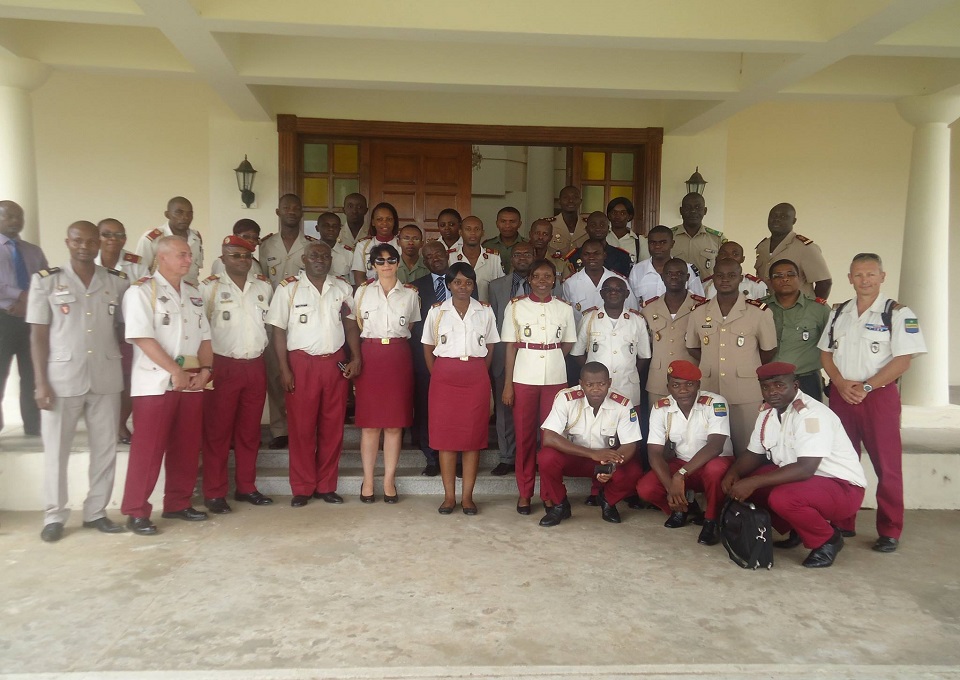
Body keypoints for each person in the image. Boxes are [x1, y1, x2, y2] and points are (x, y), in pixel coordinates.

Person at [27, 221, 129, 542]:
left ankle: (96, 512)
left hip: (105, 376)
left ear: (99, 244)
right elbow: (38, 335)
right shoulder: (46, 281)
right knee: (57, 450)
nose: (84, 246)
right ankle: (55, 515)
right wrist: (40, 382)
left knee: (105, 449)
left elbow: (123, 329)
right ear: (67, 243)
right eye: (77, 241)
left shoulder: (117, 283)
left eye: (90, 241)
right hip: (61, 379)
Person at [818, 253, 926, 553]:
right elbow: (826, 353)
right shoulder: (839, 312)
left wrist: (867, 386)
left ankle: (890, 528)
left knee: (887, 466)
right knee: (843, 459)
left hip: (878, 397)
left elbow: (903, 360)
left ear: (882, 277)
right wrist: (839, 382)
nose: (864, 280)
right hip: (842, 393)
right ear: (850, 278)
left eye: (870, 274)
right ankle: (844, 520)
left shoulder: (899, 313)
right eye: (858, 275)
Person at [721, 363, 868, 568]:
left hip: (841, 487)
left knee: (783, 497)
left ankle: (828, 540)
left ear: (795, 385)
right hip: (808, 482)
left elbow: (806, 468)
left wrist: (753, 482)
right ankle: (798, 529)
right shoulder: (767, 413)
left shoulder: (811, 415)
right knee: (752, 483)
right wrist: (734, 473)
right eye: (766, 386)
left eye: (780, 385)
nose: (772, 392)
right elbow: (755, 453)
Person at [120, 236, 213, 535]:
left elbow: (205, 338)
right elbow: (143, 337)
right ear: (162, 257)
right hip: (155, 382)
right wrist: (175, 371)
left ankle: (178, 503)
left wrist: (207, 369)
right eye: (182, 255)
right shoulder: (141, 292)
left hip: (192, 381)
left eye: (190, 255)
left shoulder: (194, 294)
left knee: (186, 446)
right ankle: (136, 510)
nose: (189, 260)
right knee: (148, 449)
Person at [267, 241, 361, 507]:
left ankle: (326, 485)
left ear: (331, 260)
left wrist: (356, 356)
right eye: (314, 255)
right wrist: (284, 369)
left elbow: (351, 325)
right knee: (301, 429)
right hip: (301, 364)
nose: (320, 259)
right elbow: (278, 331)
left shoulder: (342, 288)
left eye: (324, 255)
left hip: (334, 364)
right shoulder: (288, 289)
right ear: (303, 260)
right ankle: (302, 486)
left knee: (332, 429)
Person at [606, 361, 732, 544]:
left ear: (698, 385)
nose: (683, 390)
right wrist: (670, 488)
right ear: (668, 387)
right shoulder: (660, 408)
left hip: (714, 461)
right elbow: (654, 452)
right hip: (682, 464)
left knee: (714, 470)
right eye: (676, 385)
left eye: (689, 384)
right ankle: (681, 509)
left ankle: (711, 521)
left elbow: (715, 446)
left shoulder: (715, 403)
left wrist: (680, 475)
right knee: (646, 488)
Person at [199, 235, 275, 513]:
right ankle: (214, 492)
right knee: (218, 432)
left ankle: (246, 487)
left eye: (246, 256)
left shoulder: (263, 287)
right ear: (222, 257)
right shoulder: (210, 288)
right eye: (234, 255)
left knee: (249, 432)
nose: (241, 261)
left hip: (255, 364)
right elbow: (201, 331)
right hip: (223, 365)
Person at [421, 263, 499, 515]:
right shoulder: (437, 312)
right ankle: (448, 497)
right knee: (445, 440)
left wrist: (478, 372)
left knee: (472, 439)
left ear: (474, 285)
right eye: (457, 282)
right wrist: (440, 374)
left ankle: (467, 497)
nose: (462, 287)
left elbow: (490, 347)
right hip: (444, 378)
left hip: (475, 377)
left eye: (467, 282)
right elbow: (427, 346)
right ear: (449, 285)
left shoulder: (484, 311)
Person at [501, 259, 576, 514]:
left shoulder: (564, 309)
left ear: (555, 280)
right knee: (524, 436)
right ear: (529, 280)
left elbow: (567, 344)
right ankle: (524, 492)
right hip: (523, 376)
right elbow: (510, 347)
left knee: (551, 438)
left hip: (555, 378)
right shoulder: (516, 308)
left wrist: (551, 357)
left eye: (548, 276)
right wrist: (508, 385)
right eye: (537, 276)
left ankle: (548, 493)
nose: (542, 281)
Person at [686, 258, 777, 456]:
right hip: (709, 388)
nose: (725, 280)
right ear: (713, 280)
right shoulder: (699, 313)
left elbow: (768, 351)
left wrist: (745, 365)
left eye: (731, 275)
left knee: (749, 447)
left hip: (745, 392)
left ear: (741, 278)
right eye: (720, 275)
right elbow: (693, 347)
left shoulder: (759, 313)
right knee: (709, 448)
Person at [537, 362, 643, 527]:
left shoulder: (622, 404)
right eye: (589, 384)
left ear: (609, 382)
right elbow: (549, 438)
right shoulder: (566, 399)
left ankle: (608, 501)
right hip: (574, 458)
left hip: (605, 462)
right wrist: (592, 453)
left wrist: (612, 466)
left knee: (634, 470)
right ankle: (560, 505)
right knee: (546, 458)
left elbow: (630, 444)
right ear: (581, 384)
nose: (596, 389)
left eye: (601, 384)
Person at [353, 243, 421, 503]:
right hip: (370, 356)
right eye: (379, 261)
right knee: (370, 426)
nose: (386, 264)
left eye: (391, 259)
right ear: (372, 265)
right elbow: (354, 324)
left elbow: (411, 325)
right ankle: (368, 479)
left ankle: (389, 479)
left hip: (397, 356)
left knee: (394, 425)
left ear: (398, 262)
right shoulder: (361, 293)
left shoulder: (410, 294)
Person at [259, 193, 319, 449]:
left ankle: (302, 425)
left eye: (296, 207)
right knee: (275, 373)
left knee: (302, 375)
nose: (292, 211)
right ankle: (279, 429)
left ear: (302, 212)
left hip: (303, 319)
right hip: (274, 319)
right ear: (278, 212)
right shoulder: (265, 246)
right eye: (287, 208)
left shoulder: (311, 245)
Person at [95, 218, 146, 444]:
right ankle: (103, 426)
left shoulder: (136, 264)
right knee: (99, 381)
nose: (112, 239)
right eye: (106, 234)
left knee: (127, 380)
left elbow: (144, 297)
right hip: (94, 331)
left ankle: (119, 425)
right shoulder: (87, 261)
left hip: (126, 330)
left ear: (125, 238)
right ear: (98, 237)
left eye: (118, 235)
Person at [0, 200, 47, 436]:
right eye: (9, 217)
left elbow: (45, 281)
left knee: (33, 372)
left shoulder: (33, 250)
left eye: (19, 217)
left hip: (30, 320)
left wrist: (28, 301)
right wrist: (22, 296)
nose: (15, 221)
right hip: (2, 318)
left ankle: (33, 426)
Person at [571, 275, 649, 408]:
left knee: (629, 424)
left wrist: (628, 370)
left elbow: (644, 356)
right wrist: (593, 374)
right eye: (609, 289)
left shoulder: (637, 320)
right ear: (601, 293)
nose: (614, 292)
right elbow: (577, 353)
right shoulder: (589, 319)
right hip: (596, 389)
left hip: (627, 386)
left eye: (619, 289)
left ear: (627, 294)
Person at [760, 259, 830, 401]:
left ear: (799, 278)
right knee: (768, 421)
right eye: (778, 276)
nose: (785, 279)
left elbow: (833, 347)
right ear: (770, 281)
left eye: (790, 274)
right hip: (768, 381)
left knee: (808, 422)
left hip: (806, 380)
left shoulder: (819, 310)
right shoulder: (759, 308)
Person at [641, 258, 705, 407]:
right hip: (658, 380)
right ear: (662, 277)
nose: (674, 277)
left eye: (679, 273)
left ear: (687, 277)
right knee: (658, 426)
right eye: (669, 273)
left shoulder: (702, 307)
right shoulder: (648, 309)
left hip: (690, 379)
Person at [410, 240, 450, 476]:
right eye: (429, 256)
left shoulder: (464, 281)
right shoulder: (415, 287)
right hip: (426, 358)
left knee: (451, 411)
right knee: (427, 409)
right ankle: (432, 457)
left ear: (447, 254)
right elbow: (414, 327)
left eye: (438, 253)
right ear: (424, 261)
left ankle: (453, 456)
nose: (435, 258)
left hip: (457, 358)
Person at [754, 203, 832, 299]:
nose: (777, 219)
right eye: (773, 216)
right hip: (767, 308)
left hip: (798, 310)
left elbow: (824, 283)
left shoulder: (806, 247)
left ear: (793, 221)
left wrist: (813, 309)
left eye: (783, 216)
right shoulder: (762, 247)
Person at [562, 239, 638, 324]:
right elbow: (566, 317)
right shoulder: (570, 284)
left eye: (596, 254)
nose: (591, 258)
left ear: (604, 255)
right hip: (582, 335)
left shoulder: (619, 281)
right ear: (581, 256)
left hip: (614, 334)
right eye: (586, 254)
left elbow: (633, 312)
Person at [135, 196, 204, 285]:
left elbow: (195, 270)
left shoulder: (196, 238)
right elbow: (140, 271)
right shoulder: (153, 239)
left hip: (189, 294)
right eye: (179, 213)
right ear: (167, 214)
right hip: (159, 293)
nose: (185, 217)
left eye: (189, 213)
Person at [628, 225, 704, 302]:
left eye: (663, 242)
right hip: (645, 314)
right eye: (652, 242)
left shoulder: (687, 269)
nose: (657, 246)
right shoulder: (637, 270)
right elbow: (632, 303)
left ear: (672, 244)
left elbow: (699, 302)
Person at [446, 216, 503, 302]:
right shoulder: (450, 257)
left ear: (483, 233)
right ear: (460, 232)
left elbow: (501, 288)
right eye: (468, 229)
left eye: (477, 229)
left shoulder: (494, 258)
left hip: (486, 312)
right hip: (457, 311)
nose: (473, 233)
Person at [671, 192, 725, 276]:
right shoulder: (669, 237)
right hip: (675, 288)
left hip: (705, 288)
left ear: (705, 211)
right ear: (681, 211)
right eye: (688, 207)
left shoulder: (717, 239)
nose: (693, 211)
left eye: (697, 207)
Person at [566, 212, 632, 278]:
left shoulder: (622, 256)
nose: (598, 229)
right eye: (593, 225)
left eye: (602, 225)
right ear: (586, 229)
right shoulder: (574, 256)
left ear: (608, 228)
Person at [351, 202, 402, 286]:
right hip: (371, 294)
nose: (384, 223)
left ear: (394, 222)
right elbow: (359, 278)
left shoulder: (401, 245)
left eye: (389, 219)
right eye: (379, 219)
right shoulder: (363, 246)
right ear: (373, 222)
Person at [702, 241, 767, 300]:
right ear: (717, 257)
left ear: (743, 259)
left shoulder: (758, 286)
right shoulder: (705, 285)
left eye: (735, 254)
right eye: (723, 254)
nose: (729, 257)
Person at [482, 206, 526, 272]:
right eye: (503, 221)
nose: (507, 225)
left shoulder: (527, 245)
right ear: (497, 223)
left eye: (512, 221)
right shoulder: (487, 245)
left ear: (519, 224)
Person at [606, 197, 648, 265]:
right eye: (614, 212)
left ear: (629, 216)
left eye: (622, 213)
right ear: (609, 215)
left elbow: (644, 267)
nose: (617, 216)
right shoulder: (602, 237)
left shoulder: (640, 241)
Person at [548, 185, 588, 255]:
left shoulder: (588, 225)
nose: (571, 200)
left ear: (580, 201)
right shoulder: (549, 225)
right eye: (566, 197)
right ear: (559, 201)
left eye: (575, 197)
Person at [316, 212, 354, 279]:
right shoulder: (309, 253)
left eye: (335, 226)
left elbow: (353, 283)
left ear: (339, 229)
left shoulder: (348, 254)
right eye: (326, 225)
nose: (331, 229)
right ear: (317, 228)